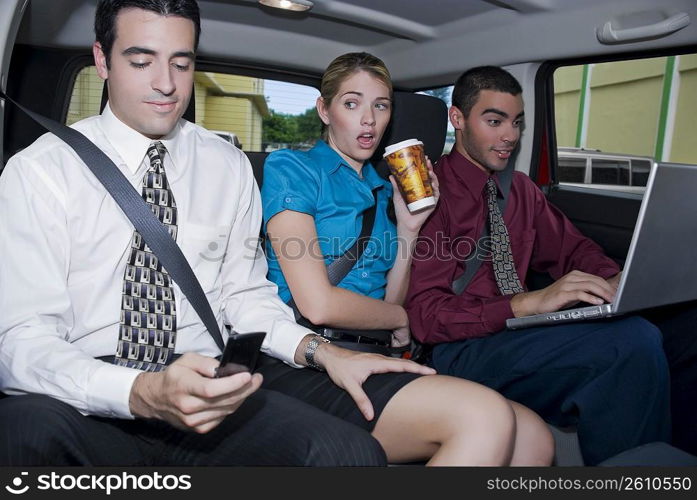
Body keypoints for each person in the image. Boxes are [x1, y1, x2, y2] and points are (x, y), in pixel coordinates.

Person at [0, 0, 437, 467]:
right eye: (141, 61)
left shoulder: (226, 166)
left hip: (205, 382)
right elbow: (21, 339)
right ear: (103, 60)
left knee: (349, 454)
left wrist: (320, 351)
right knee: (22, 433)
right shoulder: (41, 171)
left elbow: (246, 296)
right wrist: (139, 391)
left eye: (181, 63)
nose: (166, 84)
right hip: (84, 387)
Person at [259, 52, 554, 466]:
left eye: (380, 106)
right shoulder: (292, 169)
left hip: (374, 354)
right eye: (351, 103)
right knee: (483, 417)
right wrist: (400, 322)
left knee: (534, 438)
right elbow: (318, 303)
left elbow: (393, 301)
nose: (369, 120)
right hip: (307, 354)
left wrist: (410, 229)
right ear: (325, 110)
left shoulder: (384, 191)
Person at [405, 65, 674, 466]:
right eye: (494, 121)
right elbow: (426, 317)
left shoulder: (521, 191)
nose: (510, 136)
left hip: (520, 333)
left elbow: (574, 250)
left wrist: (615, 279)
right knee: (629, 345)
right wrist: (527, 304)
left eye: (516, 123)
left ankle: (669, 465)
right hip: (458, 349)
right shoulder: (430, 196)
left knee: (680, 326)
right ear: (457, 119)